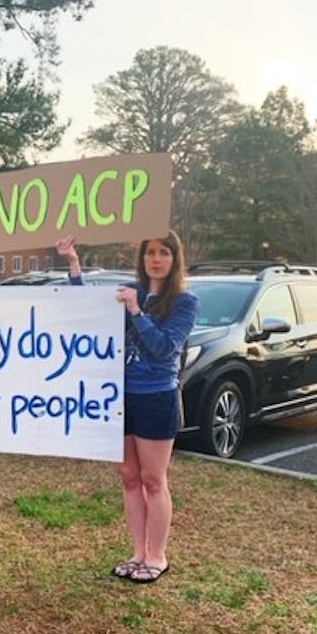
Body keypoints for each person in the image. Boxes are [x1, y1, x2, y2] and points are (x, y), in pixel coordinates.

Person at [56, 232, 199, 584]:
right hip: (120, 396)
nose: (156, 259)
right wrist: (74, 264)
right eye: (150, 252)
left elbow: (164, 348)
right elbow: (89, 314)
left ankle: (157, 555)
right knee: (129, 477)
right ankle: (138, 553)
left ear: (175, 259)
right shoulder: (128, 289)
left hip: (156, 396)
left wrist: (136, 311)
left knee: (153, 479)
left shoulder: (184, 302)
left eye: (164, 252)